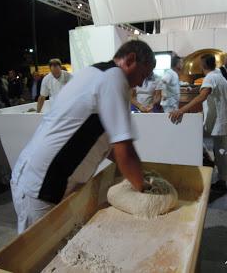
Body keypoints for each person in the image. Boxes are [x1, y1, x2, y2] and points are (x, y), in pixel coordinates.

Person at [11, 40, 156, 233]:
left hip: (40, 177)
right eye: (142, 75)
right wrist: (142, 187)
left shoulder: (96, 73)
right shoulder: (114, 78)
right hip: (42, 185)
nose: (140, 83)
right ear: (130, 60)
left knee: (55, 248)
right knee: (38, 255)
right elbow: (124, 149)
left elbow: (109, 144)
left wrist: (133, 172)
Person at [170, 54, 227, 194]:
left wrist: (181, 110)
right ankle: (209, 161)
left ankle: (222, 182)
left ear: (202, 65)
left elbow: (203, 95)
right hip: (221, 120)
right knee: (201, 139)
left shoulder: (210, 77)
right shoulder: (220, 76)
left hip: (220, 122)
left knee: (222, 152)